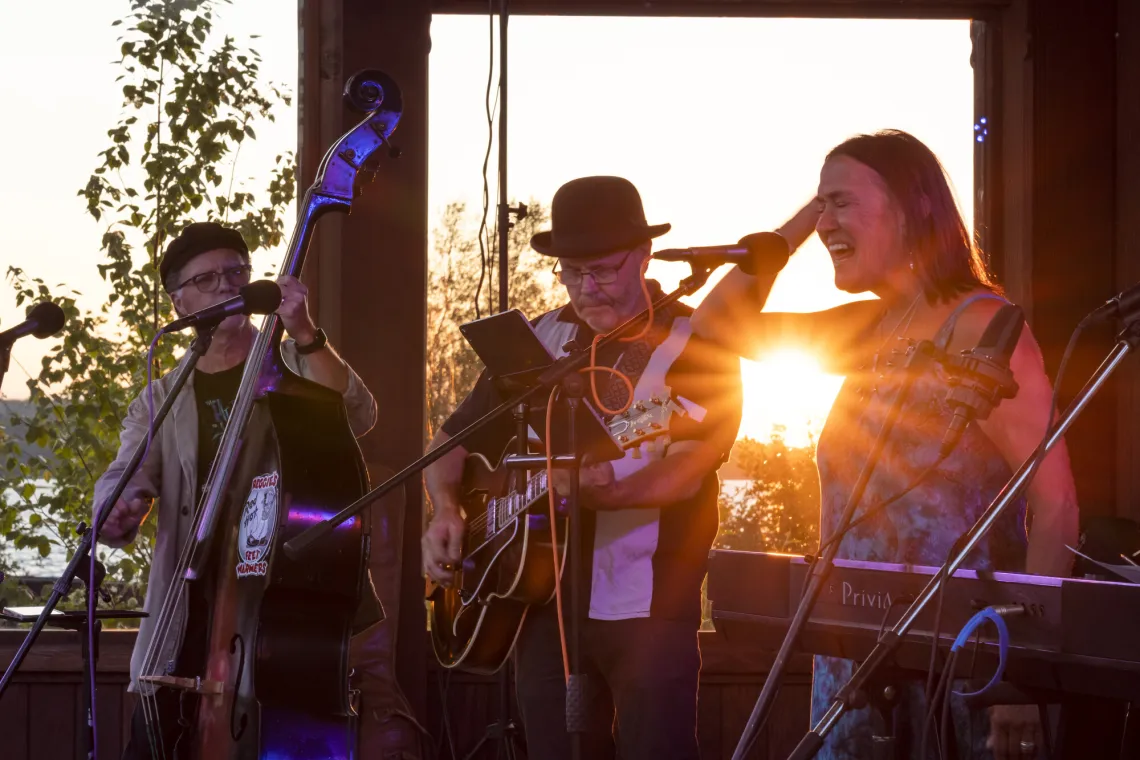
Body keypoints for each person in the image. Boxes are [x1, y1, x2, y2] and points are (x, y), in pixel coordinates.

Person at [692, 130, 1079, 760]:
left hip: (968, 660)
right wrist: (787, 236)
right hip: (855, 656)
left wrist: (1020, 675)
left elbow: (1057, 505)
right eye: (819, 206)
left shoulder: (979, 325)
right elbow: (710, 329)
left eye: (841, 202)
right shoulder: (869, 328)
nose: (825, 223)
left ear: (913, 205)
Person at [421, 176, 743, 759]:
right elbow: (451, 442)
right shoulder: (539, 336)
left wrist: (606, 496)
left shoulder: (700, 341)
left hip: (652, 606)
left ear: (644, 256)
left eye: (603, 270)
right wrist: (445, 509)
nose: (586, 288)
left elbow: (688, 468)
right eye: (571, 272)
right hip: (542, 601)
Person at [94, 222, 380, 759]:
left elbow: (359, 415)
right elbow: (126, 470)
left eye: (237, 273)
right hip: (186, 605)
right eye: (208, 279)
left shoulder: (292, 362)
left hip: (276, 601)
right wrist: (115, 508)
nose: (227, 286)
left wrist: (304, 331)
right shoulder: (163, 392)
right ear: (180, 304)